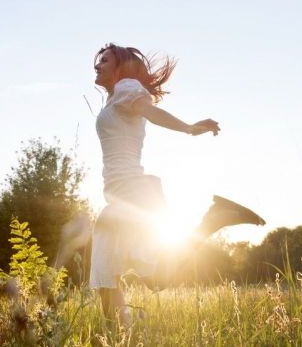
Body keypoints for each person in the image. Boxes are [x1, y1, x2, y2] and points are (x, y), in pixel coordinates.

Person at [89, 43, 264, 327]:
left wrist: (188, 128)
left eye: (105, 60)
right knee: (110, 273)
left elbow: (150, 111)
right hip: (120, 197)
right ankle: (123, 336)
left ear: (121, 67)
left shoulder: (126, 88)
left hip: (132, 194)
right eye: (98, 61)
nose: (97, 65)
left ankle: (214, 220)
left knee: (135, 275)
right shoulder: (115, 98)